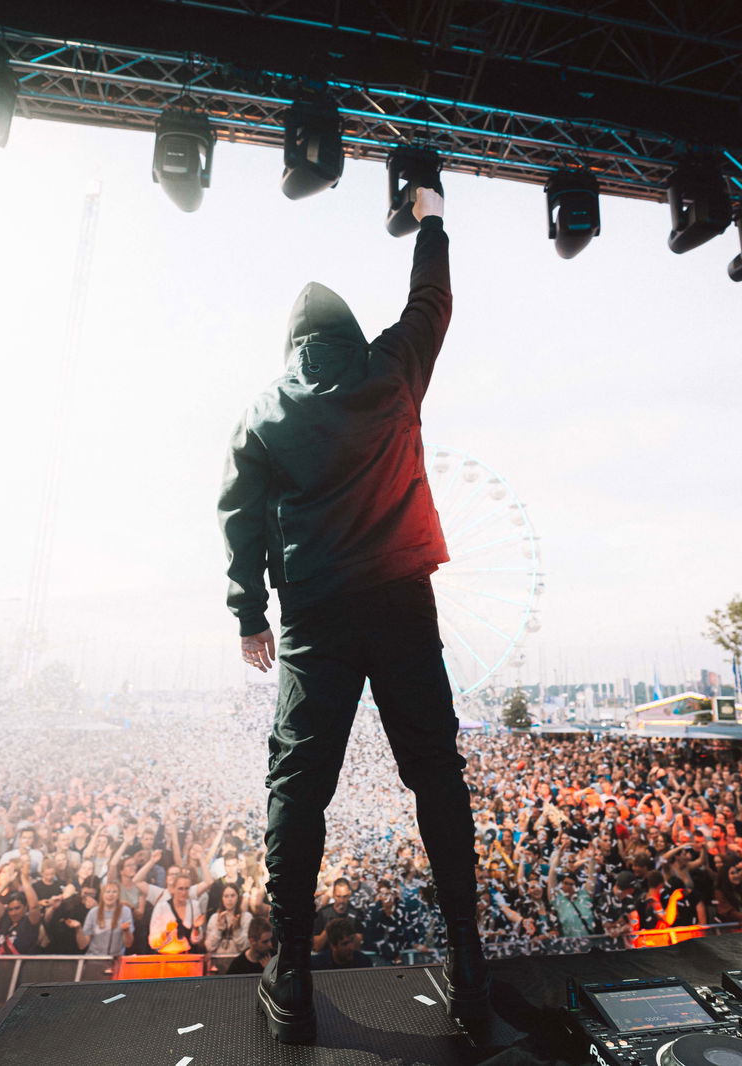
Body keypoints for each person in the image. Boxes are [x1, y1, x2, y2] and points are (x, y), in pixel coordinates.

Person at [218, 185, 485, 1042]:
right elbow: (432, 300)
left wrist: (247, 613)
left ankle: (290, 972)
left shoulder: (264, 410)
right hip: (404, 600)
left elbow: (240, 519)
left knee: (299, 786)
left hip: (316, 617)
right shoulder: (392, 364)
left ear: (293, 344)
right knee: (436, 774)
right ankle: (470, 965)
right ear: (347, 330)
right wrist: (431, 218)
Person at [77, 881, 134, 959]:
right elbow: (82, 945)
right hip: (94, 958)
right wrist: (78, 928)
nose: (110, 894)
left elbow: (128, 944)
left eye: (114, 892)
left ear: (118, 895)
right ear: (102, 895)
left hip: (116, 959)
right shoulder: (93, 912)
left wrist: (126, 931)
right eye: (107, 892)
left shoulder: (125, 911)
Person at [312, 877, 363, 951]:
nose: (341, 901)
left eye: (345, 896)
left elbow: (357, 947)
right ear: (333, 895)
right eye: (338, 896)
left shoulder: (356, 913)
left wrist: (349, 925)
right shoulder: (323, 913)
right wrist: (329, 927)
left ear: (349, 894)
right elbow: (317, 947)